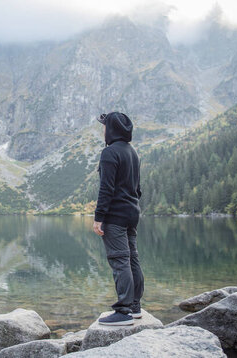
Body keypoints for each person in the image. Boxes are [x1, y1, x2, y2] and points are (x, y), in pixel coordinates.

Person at [93, 111, 144, 326]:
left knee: (119, 260)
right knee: (132, 258)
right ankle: (135, 306)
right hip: (132, 213)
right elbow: (137, 189)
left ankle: (123, 312)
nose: (102, 130)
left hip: (115, 216)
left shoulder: (110, 153)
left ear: (111, 129)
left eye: (104, 126)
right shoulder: (132, 152)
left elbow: (106, 189)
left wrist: (98, 217)